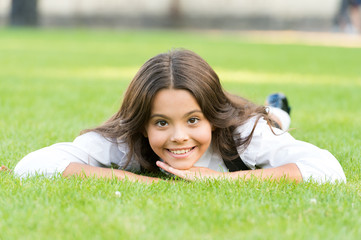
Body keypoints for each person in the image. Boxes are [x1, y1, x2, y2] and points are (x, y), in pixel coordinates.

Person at [13, 49, 346, 183]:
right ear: (142, 124)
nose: (178, 137)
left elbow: (329, 170)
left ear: (212, 118)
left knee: (271, 119)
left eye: (192, 120)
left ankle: (278, 108)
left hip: (254, 118)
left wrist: (221, 180)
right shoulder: (124, 140)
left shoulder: (246, 132)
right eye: (161, 122)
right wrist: (135, 181)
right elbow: (31, 166)